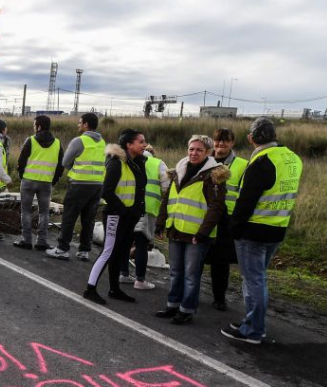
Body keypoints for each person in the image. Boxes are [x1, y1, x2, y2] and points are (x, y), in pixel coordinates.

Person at [221, 118, 302, 344]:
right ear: (275, 135)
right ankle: (253, 323)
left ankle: (253, 329)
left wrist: (234, 227)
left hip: (253, 230)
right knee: (259, 279)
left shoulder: (261, 162)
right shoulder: (292, 158)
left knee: (253, 281)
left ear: (251, 138)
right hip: (277, 227)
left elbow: (246, 200)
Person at [154, 135, 229, 325]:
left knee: (191, 274)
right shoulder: (179, 170)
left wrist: (203, 233)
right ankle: (172, 305)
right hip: (176, 229)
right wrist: (161, 223)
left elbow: (216, 207)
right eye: (191, 149)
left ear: (208, 153)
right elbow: (168, 199)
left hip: (197, 234)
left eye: (199, 150)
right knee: (175, 271)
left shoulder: (215, 175)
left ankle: (186, 310)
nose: (194, 153)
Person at [84, 129, 146, 304]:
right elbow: (106, 192)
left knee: (121, 252)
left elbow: (138, 190)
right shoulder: (116, 162)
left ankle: (114, 289)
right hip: (116, 215)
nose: (144, 145)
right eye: (140, 142)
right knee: (108, 251)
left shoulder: (136, 163)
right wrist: (124, 211)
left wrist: (134, 212)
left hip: (129, 217)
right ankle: (90, 289)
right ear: (129, 144)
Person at [46, 113, 105, 260]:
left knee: (69, 217)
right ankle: (84, 250)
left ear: (86, 125)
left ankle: (62, 249)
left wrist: (75, 168)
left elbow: (65, 161)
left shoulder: (79, 141)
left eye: (80, 123)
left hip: (79, 184)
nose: (78, 125)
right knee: (88, 219)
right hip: (97, 186)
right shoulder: (102, 142)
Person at [205, 128, 247, 311]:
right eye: (218, 141)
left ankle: (219, 298)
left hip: (226, 220)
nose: (221, 145)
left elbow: (245, 194)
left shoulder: (242, 165)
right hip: (203, 217)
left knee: (220, 263)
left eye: (225, 142)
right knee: (196, 259)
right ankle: (189, 294)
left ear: (232, 143)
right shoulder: (204, 161)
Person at [119, 143, 168, 290]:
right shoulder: (158, 163)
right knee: (142, 244)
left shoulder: (126, 161)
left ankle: (123, 273)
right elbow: (167, 188)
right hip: (147, 209)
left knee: (126, 241)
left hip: (126, 206)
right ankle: (140, 280)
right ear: (153, 153)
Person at [14, 115, 64, 250]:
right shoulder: (58, 143)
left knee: (26, 211)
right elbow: (61, 166)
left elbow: (21, 161)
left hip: (28, 181)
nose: (33, 127)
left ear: (39, 126)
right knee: (44, 212)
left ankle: (26, 240)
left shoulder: (30, 141)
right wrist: (54, 180)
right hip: (46, 183)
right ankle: (41, 242)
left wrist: (22, 175)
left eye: (34, 125)